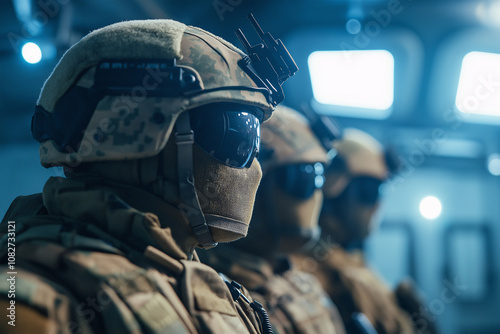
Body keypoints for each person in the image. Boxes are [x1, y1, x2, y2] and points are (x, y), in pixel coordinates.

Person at [0, 17, 297, 334]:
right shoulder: (30, 303)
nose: (251, 164)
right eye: (236, 135)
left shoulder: (217, 290)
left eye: (254, 145)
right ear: (137, 128)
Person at [199, 105, 346, 334]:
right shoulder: (211, 294)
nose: (315, 194)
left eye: (319, 177)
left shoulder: (306, 286)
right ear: (254, 183)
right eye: (304, 177)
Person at [292, 129, 439, 334]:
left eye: (380, 191)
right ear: (337, 190)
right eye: (369, 192)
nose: (377, 205)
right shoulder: (302, 270)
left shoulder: (354, 262)